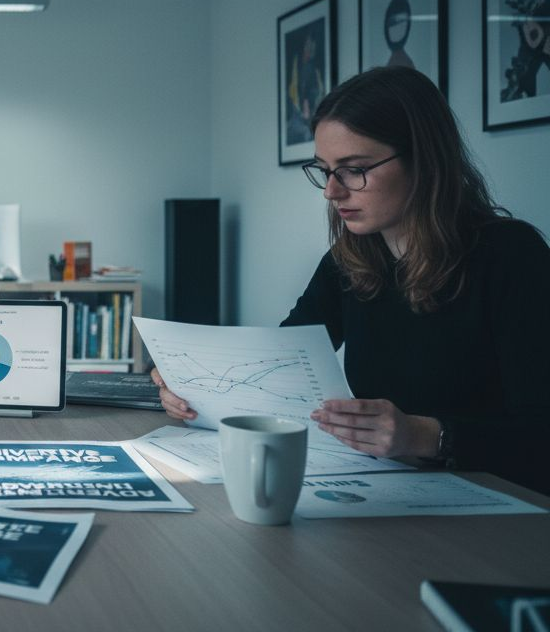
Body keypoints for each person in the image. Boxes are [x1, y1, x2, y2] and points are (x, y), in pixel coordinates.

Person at [153, 66, 550, 495]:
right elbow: (280, 365)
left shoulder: (511, 256)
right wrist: (193, 389)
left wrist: (424, 435)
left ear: (425, 160)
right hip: (385, 494)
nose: (331, 191)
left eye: (354, 169)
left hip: (495, 509)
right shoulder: (351, 259)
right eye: (325, 170)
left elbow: (539, 435)